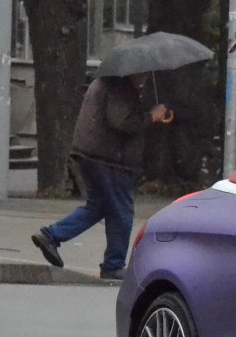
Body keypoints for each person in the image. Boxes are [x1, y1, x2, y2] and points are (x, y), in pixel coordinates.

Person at [31, 73, 169, 280]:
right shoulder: (119, 87)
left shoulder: (108, 83)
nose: (146, 78)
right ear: (134, 71)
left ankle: (51, 236)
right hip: (109, 158)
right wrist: (151, 116)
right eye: (144, 75)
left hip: (92, 154)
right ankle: (113, 265)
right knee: (122, 211)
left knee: (99, 207)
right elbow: (121, 121)